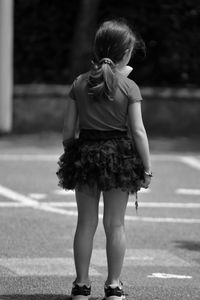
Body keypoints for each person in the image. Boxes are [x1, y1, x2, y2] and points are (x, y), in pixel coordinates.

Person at [57, 19, 152, 300]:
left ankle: (81, 286)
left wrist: (74, 154)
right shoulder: (129, 86)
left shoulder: (79, 82)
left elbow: (67, 132)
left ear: (97, 50)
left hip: (85, 153)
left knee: (85, 223)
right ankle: (113, 286)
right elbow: (137, 131)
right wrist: (147, 168)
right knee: (116, 224)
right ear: (125, 54)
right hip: (119, 156)